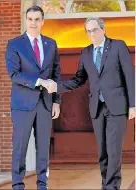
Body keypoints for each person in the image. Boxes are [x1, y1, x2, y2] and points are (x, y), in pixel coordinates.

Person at [40, 17, 135, 190]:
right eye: (89, 31)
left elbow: (130, 75)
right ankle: (106, 185)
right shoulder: (85, 53)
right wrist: (56, 87)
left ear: (103, 30)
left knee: (114, 151)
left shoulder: (118, 46)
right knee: (103, 152)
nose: (92, 34)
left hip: (117, 106)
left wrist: (133, 105)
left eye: (95, 30)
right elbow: (79, 79)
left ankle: (112, 187)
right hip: (97, 108)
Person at [5, 5, 61, 190]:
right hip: (22, 105)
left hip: (45, 104)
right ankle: (17, 185)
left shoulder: (51, 44)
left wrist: (57, 102)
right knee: (20, 148)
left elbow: (56, 74)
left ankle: (42, 185)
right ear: (25, 20)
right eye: (30, 19)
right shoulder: (14, 44)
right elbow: (14, 74)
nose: (33, 22)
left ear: (43, 21)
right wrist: (40, 82)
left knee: (43, 148)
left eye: (37, 19)